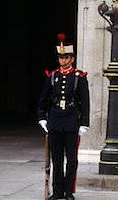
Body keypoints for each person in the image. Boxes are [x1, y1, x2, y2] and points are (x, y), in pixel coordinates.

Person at [37, 33, 90, 200]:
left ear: (72, 59)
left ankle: (68, 192)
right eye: (60, 57)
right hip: (54, 121)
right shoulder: (52, 76)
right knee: (56, 159)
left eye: (65, 57)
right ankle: (58, 191)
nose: (62, 60)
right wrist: (42, 117)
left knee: (72, 159)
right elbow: (43, 99)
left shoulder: (79, 77)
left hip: (71, 121)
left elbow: (85, 101)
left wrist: (84, 123)